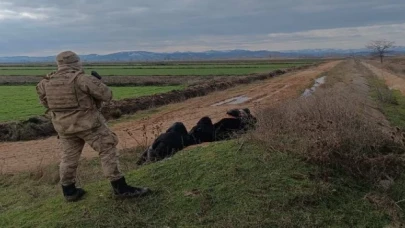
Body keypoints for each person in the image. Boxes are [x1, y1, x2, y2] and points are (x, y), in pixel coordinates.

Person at [36, 51, 150, 202]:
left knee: (68, 158)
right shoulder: (82, 79)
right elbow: (107, 95)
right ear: (76, 62)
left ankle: (69, 191)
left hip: (64, 128)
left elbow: (45, 103)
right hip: (89, 125)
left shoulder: (45, 82)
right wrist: (98, 81)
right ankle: (120, 188)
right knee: (107, 150)